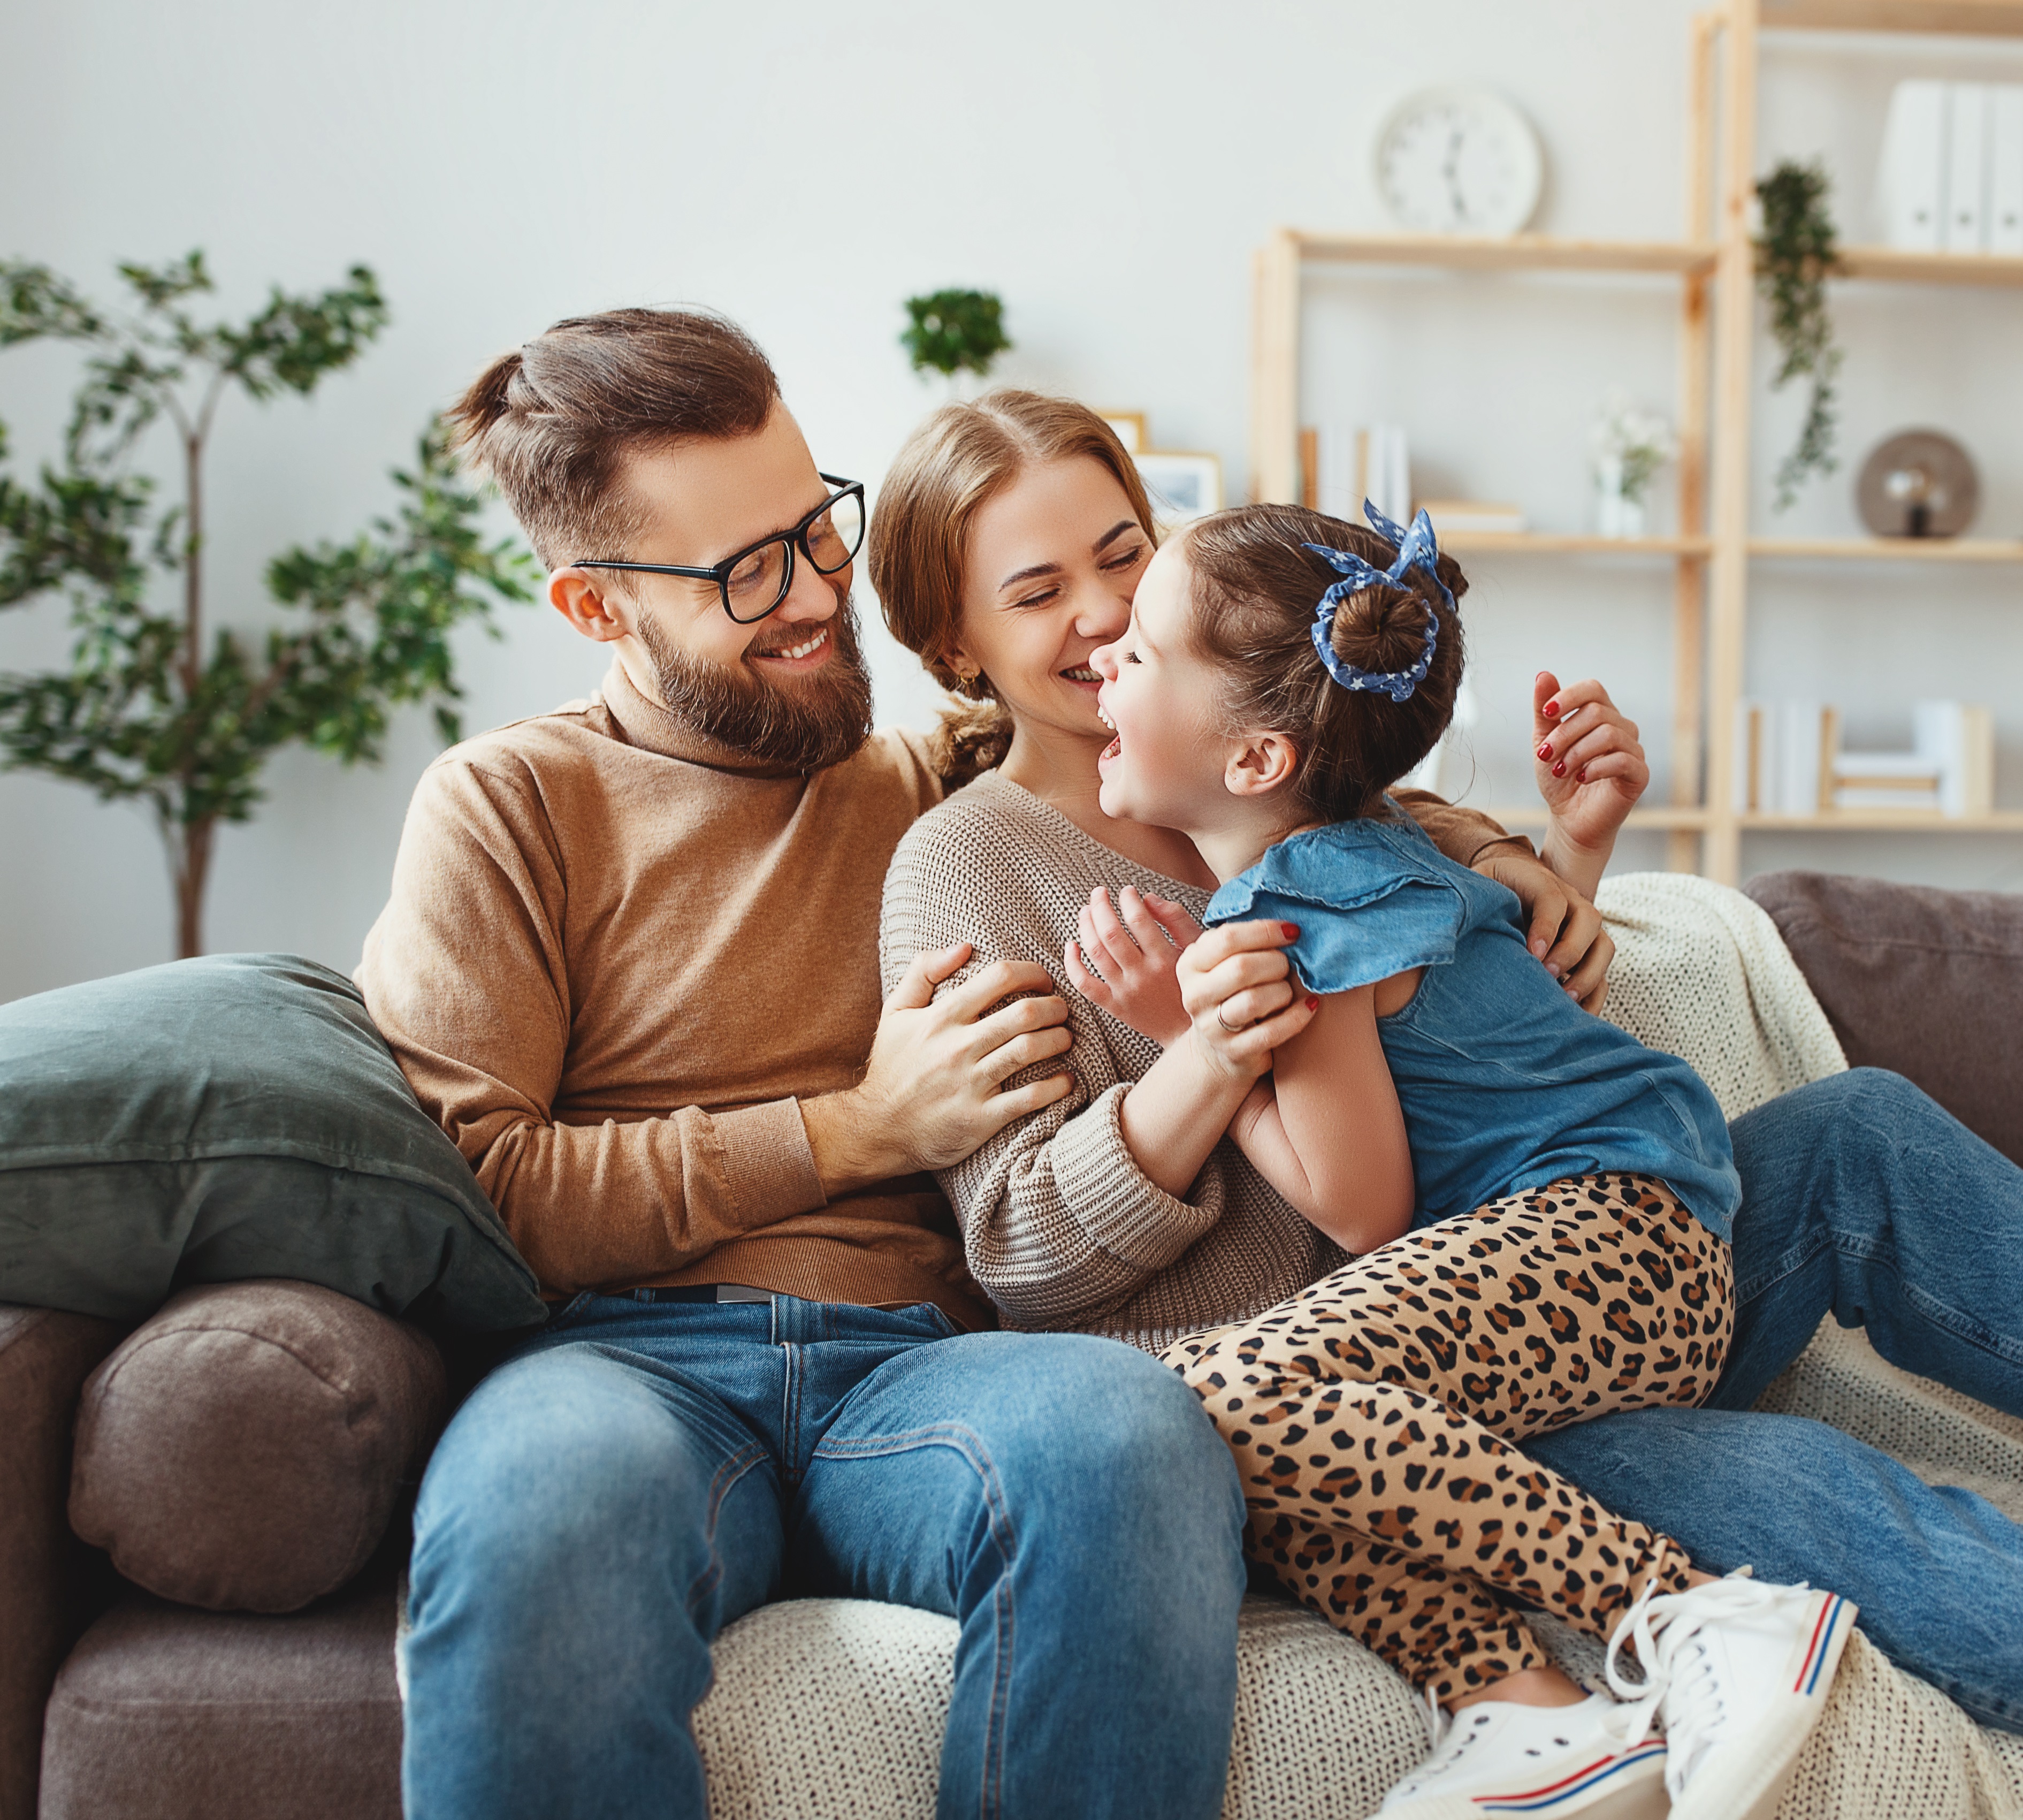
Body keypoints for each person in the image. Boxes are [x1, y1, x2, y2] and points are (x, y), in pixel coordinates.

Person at [354, 308, 1592, 1820]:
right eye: (748, 572)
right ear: (595, 606)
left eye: (816, 528)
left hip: (930, 1372)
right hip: (627, 1364)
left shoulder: (933, 780)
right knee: (536, 1511)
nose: (819, 598)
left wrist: (1502, 855)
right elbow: (472, 1193)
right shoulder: (508, 807)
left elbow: (1234, 753)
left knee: (1128, 1435)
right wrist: (858, 1126)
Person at [871, 389, 2023, 1779]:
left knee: (1856, 1129)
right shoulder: (967, 864)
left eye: (1123, 555)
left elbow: (1487, 1031)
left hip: (1538, 1260)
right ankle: (1651, 1649)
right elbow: (1019, 1251)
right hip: (1375, 1377)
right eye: (1039, 589)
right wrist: (1202, 1053)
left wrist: (1568, 861)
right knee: (1785, 1490)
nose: (1106, 612)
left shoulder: (1315, 791)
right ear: (954, 644)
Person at [1088, 494, 1862, 1819]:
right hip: (1623, 1241)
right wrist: (1574, 847)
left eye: (1141, 649)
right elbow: (1499, 1053)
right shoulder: (1382, 850)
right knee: (1257, 1462)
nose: (1103, 651)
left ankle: (1694, 1616)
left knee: (1216, 1397)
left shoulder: (1304, 902)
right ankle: (1526, 1711)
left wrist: (1178, 1036)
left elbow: (1364, 1207)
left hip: (1613, 1238)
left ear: (1261, 756)